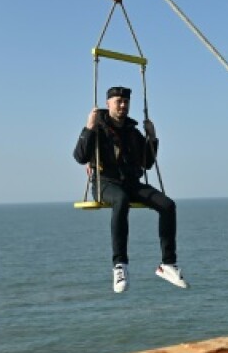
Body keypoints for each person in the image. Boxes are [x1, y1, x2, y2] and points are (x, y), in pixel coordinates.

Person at [74, 85, 188, 293]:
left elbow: (147, 164)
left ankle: (168, 264)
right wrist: (88, 127)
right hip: (105, 183)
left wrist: (152, 138)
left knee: (168, 205)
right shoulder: (98, 129)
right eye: (118, 101)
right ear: (108, 104)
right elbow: (80, 156)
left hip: (131, 183)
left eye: (126, 101)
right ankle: (120, 265)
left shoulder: (133, 132)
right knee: (121, 200)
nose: (123, 105)